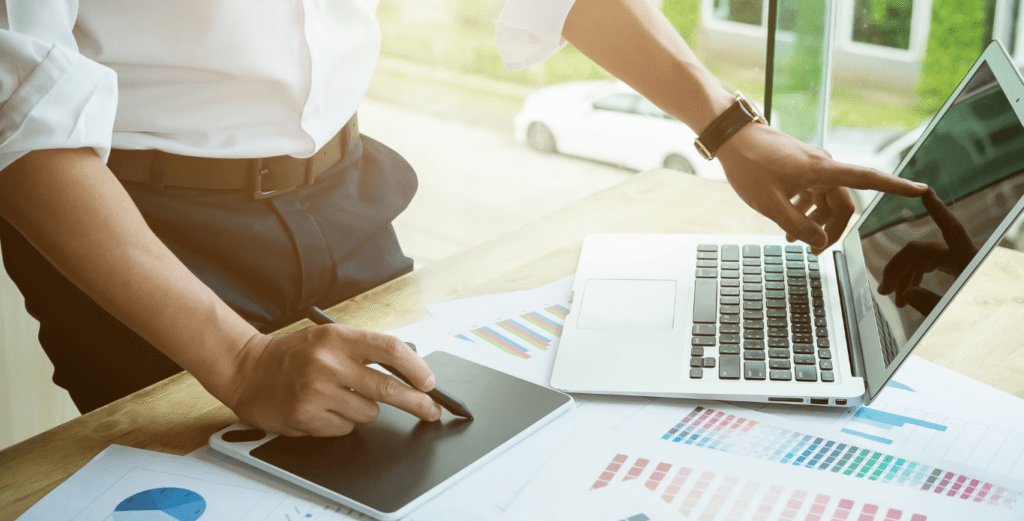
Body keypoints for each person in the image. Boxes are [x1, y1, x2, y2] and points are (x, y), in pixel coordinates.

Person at [0, 0, 927, 437]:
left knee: (434, 451)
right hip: (144, 219)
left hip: (346, 189)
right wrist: (240, 362)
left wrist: (726, 127)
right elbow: (20, 121)